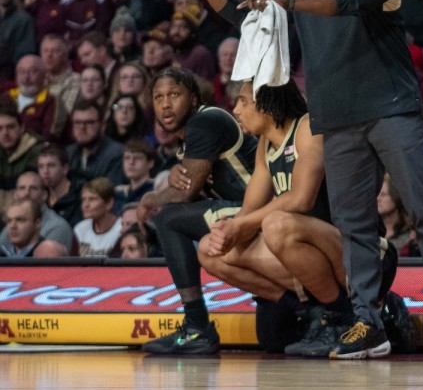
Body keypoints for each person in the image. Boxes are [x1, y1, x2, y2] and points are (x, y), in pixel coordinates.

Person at [164, 0, 423, 360]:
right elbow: (248, 17)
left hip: (390, 107)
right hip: (336, 118)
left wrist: (289, 1)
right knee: (355, 224)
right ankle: (367, 322)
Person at [197, 80, 371, 357]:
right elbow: (248, 211)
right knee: (210, 249)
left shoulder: (308, 128)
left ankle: (342, 317)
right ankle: (309, 310)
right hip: (305, 255)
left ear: (267, 104)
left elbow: (302, 199)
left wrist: (242, 224)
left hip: (355, 251)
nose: (236, 110)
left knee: (276, 223)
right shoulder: (265, 145)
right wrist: (229, 230)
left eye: (243, 102)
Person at [135, 68, 257, 355]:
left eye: (174, 95)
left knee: (167, 219)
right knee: (273, 335)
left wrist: (151, 198)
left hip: (255, 208)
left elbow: (186, 192)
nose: (165, 104)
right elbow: (195, 189)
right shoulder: (190, 138)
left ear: (192, 99)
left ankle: (196, 324)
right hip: (241, 210)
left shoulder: (205, 121)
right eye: (158, 97)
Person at [1, 198, 69, 258]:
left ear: (37, 223)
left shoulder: (48, 254)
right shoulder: (2, 254)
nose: (12, 226)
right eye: (9, 221)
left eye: (20, 220)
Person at [74, 177, 122, 257]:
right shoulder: (80, 229)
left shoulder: (121, 229)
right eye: (83, 200)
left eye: (92, 199)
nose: (86, 205)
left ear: (109, 203)